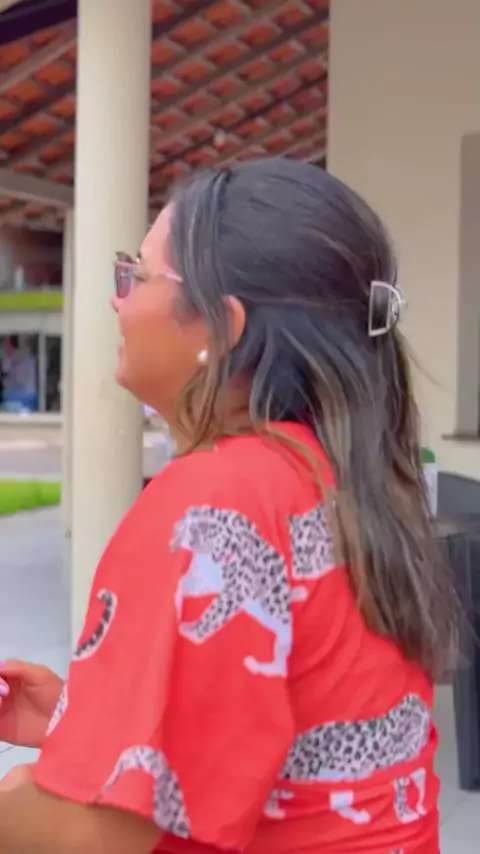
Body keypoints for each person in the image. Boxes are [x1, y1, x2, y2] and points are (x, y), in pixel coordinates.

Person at [0, 158, 457, 854]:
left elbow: (95, 836)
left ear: (222, 325)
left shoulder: (213, 505)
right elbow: (288, 728)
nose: (118, 302)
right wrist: (83, 717)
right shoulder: (337, 477)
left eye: (136, 276)